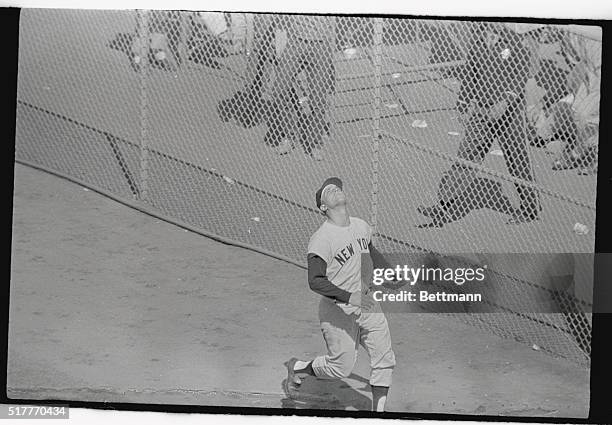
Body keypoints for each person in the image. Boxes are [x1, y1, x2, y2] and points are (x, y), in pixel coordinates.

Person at [284, 177, 397, 412]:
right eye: (328, 190)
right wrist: (349, 297)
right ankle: (298, 367)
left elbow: (372, 253)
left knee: (384, 358)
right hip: (337, 311)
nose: (335, 189)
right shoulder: (322, 239)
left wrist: (391, 275)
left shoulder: (361, 226)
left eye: (337, 187)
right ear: (323, 207)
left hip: (367, 303)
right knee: (341, 368)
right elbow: (315, 281)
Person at [418, 22, 541, 227]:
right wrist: (463, 102)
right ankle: (444, 206)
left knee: (517, 159)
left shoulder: (515, 43)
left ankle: (529, 208)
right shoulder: (478, 42)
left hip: (509, 112)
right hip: (483, 110)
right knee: (465, 158)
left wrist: (505, 101)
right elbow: (470, 74)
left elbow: (520, 76)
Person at [266, 15, 336, 161]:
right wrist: (278, 43)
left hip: (321, 45)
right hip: (296, 41)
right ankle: (290, 135)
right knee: (279, 89)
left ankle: (315, 142)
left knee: (318, 98)